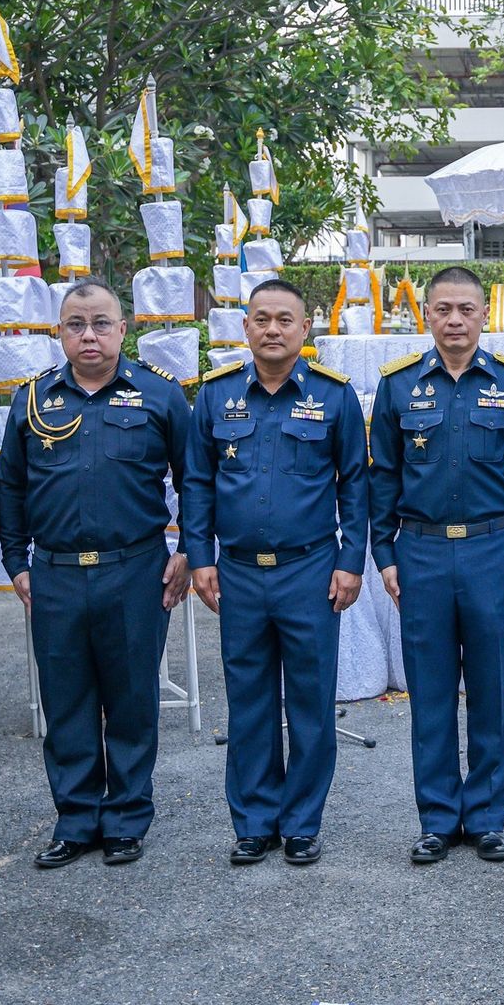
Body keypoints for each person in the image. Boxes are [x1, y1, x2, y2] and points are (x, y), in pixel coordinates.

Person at [0, 280, 191, 870]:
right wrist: (16, 562)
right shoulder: (33, 400)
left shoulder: (159, 395)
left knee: (131, 700)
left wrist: (188, 550)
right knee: (66, 701)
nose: (89, 335)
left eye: (101, 323)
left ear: (122, 330)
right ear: (59, 332)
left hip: (135, 570)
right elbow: (10, 488)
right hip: (55, 574)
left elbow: (196, 480)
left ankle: (126, 818)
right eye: (76, 324)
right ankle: (76, 819)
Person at [182, 280, 367, 868]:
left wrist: (350, 561)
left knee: (310, 702)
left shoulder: (334, 396)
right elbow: (196, 482)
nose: (272, 329)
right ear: (246, 328)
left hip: (309, 571)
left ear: (304, 329)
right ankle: (255, 822)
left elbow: (355, 484)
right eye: (261, 318)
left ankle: (302, 823)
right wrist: (200, 556)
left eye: (285, 319)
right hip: (237, 573)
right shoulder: (215, 396)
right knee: (250, 701)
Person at [369, 266, 504, 865]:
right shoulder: (398, 386)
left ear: (484, 315)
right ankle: (438, 819)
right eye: (443, 309)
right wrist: (384, 553)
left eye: (466, 309)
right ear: (426, 314)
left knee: (492, 690)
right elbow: (382, 477)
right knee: (432, 692)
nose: (454, 320)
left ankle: (488, 818)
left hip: (492, 551)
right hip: (419, 552)